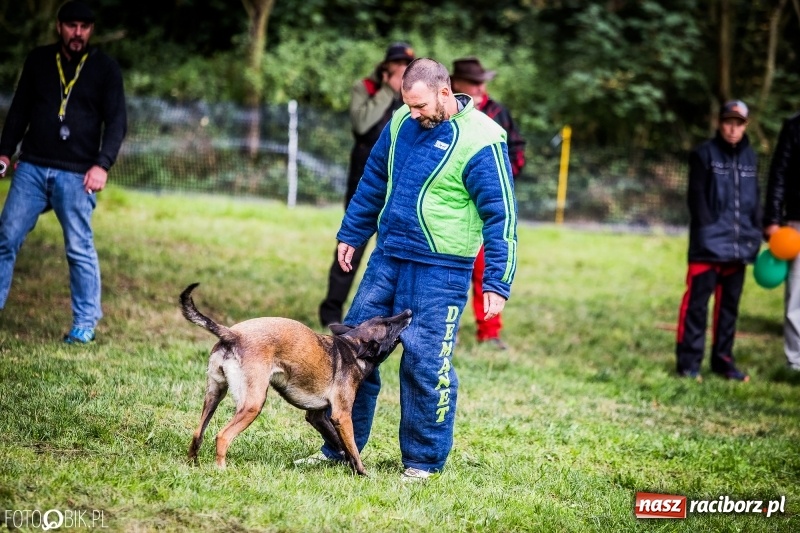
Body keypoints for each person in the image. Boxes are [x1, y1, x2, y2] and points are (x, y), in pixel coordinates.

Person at [301, 58, 517, 480]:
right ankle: (339, 447)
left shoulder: (484, 139)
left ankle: (422, 463)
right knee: (349, 352)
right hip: (388, 256)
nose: (412, 114)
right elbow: (374, 177)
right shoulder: (401, 121)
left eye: (419, 106)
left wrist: (496, 280)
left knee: (424, 364)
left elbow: (501, 216)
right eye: (408, 105)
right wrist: (352, 233)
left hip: (442, 270)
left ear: (443, 92)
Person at [0, 0, 127, 344]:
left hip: (77, 174)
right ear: (59, 26)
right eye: (71, 25)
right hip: (31, 168)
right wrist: (4, 151)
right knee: (5, 239)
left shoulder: (105, 69)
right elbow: (20, 110)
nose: (77, 33)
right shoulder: (39, 60)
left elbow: (117, 123)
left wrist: (102, 164)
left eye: (84, 27)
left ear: (91, 31)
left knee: (78, 248)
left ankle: (84, 324)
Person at [318, 42, 415, 327]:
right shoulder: (366, 88)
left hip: (398, 182)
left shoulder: (413, 95)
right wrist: (387, 90)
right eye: (397, 67)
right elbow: (361, 124)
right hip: (364, 178)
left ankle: (388, 317)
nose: (402, 73)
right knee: (351, 244)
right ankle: (331, 311)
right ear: (386, 68)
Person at [675, 100, 760, 381]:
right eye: (728, 122)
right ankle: (689, 364)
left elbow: (754, 199)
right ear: (720, 123)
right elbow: (696, 198)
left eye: (738, 123)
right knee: (696, 306)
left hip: (739, 247)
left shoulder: (751, 158)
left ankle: (723, 362)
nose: (733, 129)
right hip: (707, 247)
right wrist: (708, 229)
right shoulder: (703, 154)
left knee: (729, 310)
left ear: (745, 125)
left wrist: (755, 230)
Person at [450, 57, 526, 349]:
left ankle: (490, 332)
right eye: (475, 81)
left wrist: (501, 179)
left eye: (483, 81)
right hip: (453, 203)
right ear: (457, 84)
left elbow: (517, 149)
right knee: (452, 268)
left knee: (486, 268)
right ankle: (448, 328)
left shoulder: (497, 112)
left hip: (485, 204)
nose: (482, 87)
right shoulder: (446, 112)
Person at [763, 110, 800, 372]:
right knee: (797, 294)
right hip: (796, 222)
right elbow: (779, 175)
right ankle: (796, 361)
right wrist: (773, 219)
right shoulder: (794, 126)